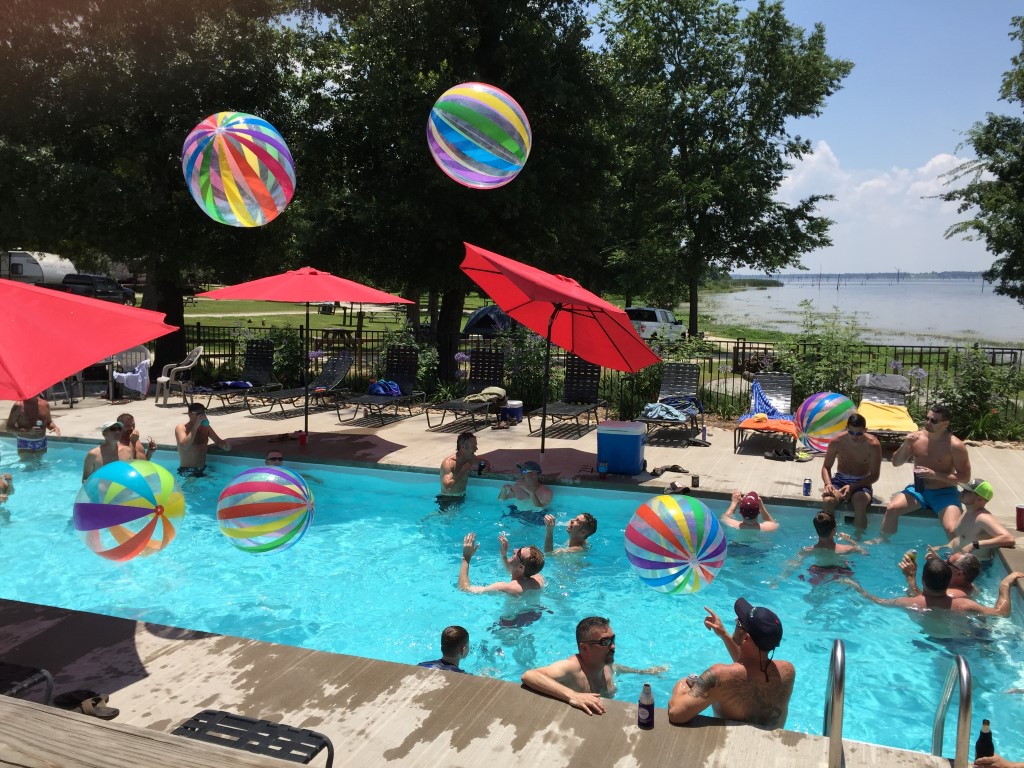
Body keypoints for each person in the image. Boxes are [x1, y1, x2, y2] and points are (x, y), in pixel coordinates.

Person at [667, 599, 795, 728]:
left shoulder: (718, 676)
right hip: (772, 744)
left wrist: (682, 685)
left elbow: (676, 714)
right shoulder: (788, 671)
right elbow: (747, 666)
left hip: (733, 744)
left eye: (739, 622)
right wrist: (724, 634)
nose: (735, 621)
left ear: (746, 638)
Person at [521, 616, 667, 716]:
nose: (613, 646)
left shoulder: (604, 664)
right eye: (605, 642)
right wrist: (573, 696)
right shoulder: (572, 668)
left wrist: (643, 672)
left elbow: (617, 668)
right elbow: (530, 675)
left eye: (613, 639)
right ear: (584, 648)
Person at [880, 404, 971, 540]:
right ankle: (883, 544)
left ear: (945, 424)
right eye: (927, 418)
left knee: (952, 529)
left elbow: (965, 477)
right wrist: (905, 444)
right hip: (919, 490)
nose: (928, 423)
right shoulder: (916, 439)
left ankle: (954, 558)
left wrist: (935, 475)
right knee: (892, 508)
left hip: (945, 493)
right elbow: (896, 463)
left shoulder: (955, 446)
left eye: (933, 421)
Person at [845, 557, 1024, 618]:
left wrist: (856, 587)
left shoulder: (907, 602)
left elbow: (877, 600)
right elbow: (1002, 614)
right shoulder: (963, 605)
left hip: (926, 641)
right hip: (958, 642)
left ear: (923, 579)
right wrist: (1004, 585)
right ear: (949, 582)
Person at [821, 413, 882, 531]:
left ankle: (858, 541)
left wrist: (853, 487)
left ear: (865, 430)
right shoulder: (836, 441)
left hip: (861, 482)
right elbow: (826, 467)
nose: (855, 437)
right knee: (828, 501)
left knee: (860, 503)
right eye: (851, 432)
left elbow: (875, 475)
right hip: (840, 480)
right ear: (846, 428)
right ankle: (828, 537)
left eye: (859, 433)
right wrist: (828, 484)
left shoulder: (873, 445)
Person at [947, 479, 1016, 562]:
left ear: (979, 499)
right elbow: (960, 538)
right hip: (957, 561)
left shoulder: (983, 518)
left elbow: (1009, 539)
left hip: (974, 568)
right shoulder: (966, 513)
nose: (962, 493)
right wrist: (943, 548)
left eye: (967, 491)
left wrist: (975, 545)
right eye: (963, 490)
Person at [458, 532, 544, 596]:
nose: (515, 550)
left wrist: (466, 557)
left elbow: (464, 589)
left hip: (511, 619)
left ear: (521, 567)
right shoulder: (538, 579)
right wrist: (504, 555)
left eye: (519, 552)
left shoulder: (505, 587)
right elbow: (515, 572)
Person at [898, 545, 980, 598]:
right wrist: (938, 562)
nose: (944, 562)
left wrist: (910, 577)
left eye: (948, 562)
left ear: (959, 573)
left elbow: (922, 601)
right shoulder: (967, 582)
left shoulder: (954, 594)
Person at [175, 402, 231, 478]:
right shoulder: (181, 428)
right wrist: (196, 426)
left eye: (203, 413)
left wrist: (225, 446)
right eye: (199, 414)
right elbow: (185, 446)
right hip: (188, 470)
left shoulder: (206, 427)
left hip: (203, 468)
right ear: (190, 414)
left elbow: (218, 441)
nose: (202, 416)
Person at [439, 433, 489, 507]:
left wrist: (483, 469)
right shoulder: (449, 463)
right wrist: (463, 470)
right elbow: (447, 486)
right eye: (474, 446)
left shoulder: (470, 458)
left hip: (461, 496)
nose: (476, 449)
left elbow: (484, 462)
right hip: (447, 499)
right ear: (463, 447)